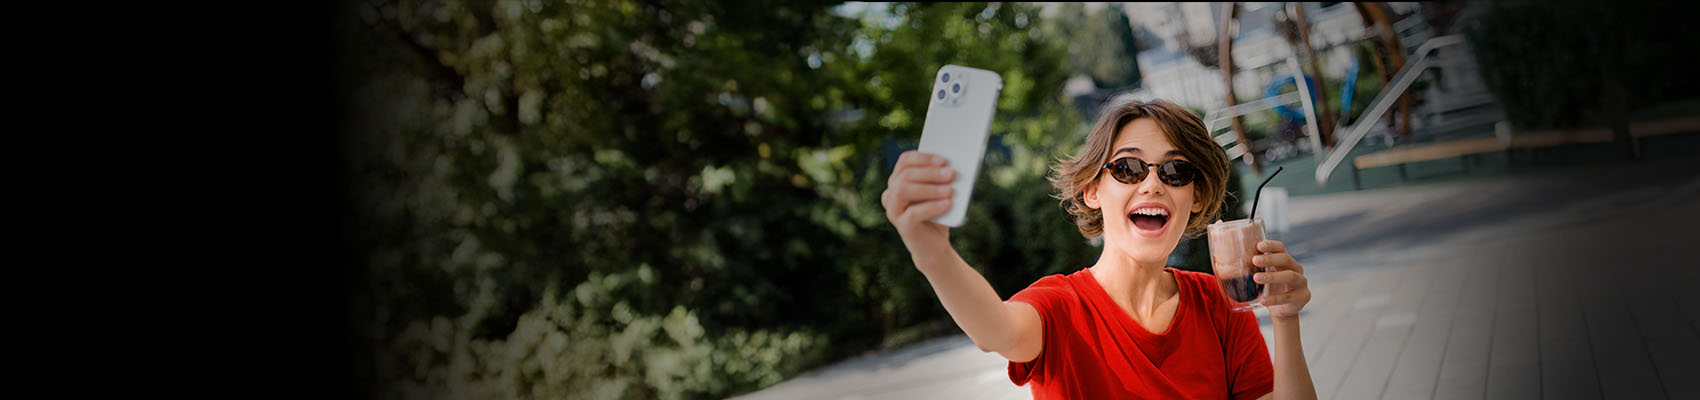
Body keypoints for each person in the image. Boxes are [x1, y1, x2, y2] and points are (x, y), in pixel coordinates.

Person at [881, 99, 1317, 399]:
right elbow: (996, 331)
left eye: (1175, 171)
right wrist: (933, 255)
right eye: (1127, 168)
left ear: (1196, 197)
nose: (1152, 184)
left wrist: (1285, 319)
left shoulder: (1220, 306)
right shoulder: (1060, 307)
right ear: (1092, 190)